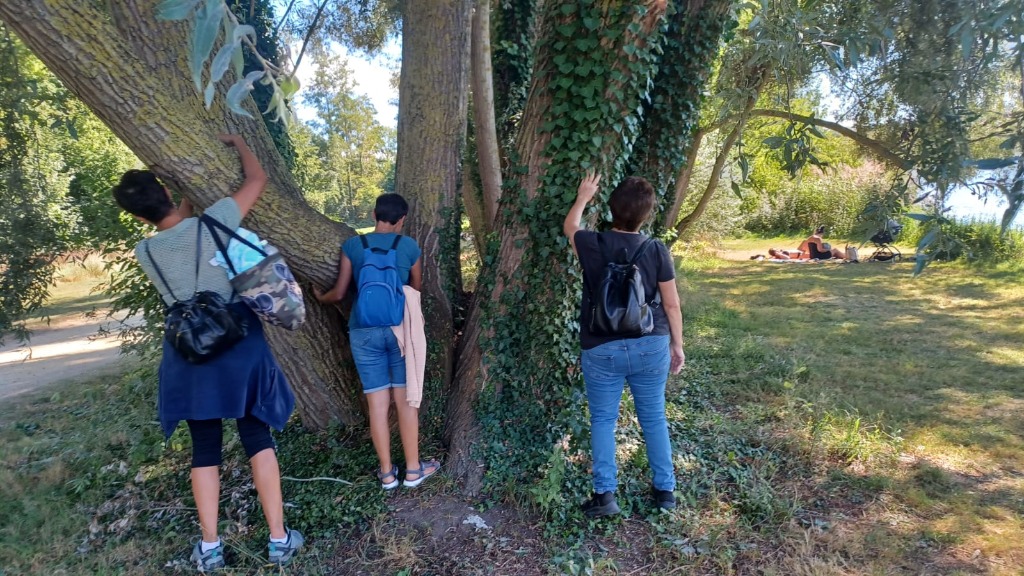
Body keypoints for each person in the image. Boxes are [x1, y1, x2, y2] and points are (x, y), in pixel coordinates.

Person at [112, 135, 303, 570]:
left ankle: (211, 548)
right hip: (239, 344)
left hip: (189, 354)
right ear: (165, 191)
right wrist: (239, 143)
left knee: (204, 447)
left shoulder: (145, 251)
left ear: (139, 215)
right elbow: (258, 178)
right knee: (257, 436)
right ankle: (279, 539)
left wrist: (174, 203)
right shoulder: (215, 219)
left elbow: (179, 234)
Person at [563, 173, 686, 518]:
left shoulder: (592, 243)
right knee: (654, 417)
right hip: (651, 344)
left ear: (611, 209)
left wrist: (583, 195)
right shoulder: (656, 249)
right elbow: (672, 304)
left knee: (603, 419)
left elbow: (570, 226)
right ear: (646, 215)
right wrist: (677, 344)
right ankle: (665, 492)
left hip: (601, 346)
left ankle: (605, 496)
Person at [313, 193, 440, 490]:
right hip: (400, 330)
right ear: (403, 219)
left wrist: (320, 296)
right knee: (405, 403)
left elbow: (340, 292)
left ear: (374, 214)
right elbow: (415, 288)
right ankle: (412, 470)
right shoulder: (408, 246)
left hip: (363, 330)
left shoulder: (354, 246)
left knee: (377, 406)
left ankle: (386, 474)